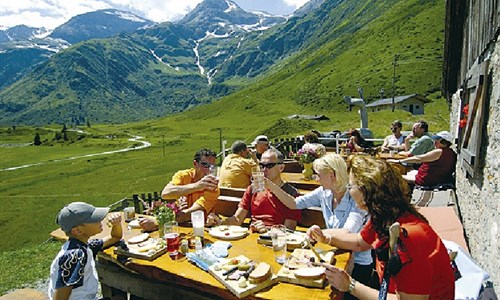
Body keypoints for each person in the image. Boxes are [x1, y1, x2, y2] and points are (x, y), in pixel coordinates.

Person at [308, 156, 455, 299]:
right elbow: (360, 242)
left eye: (350, 186)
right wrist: (327, 238)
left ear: (366, 191)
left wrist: (350, 285)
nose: (348, 191)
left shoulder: (410, 237)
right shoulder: (385, 217)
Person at [267, 154, 373, 294]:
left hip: (357, 264)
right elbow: (294, 203)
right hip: (335, 257)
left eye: (318, 175)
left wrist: (322, 234)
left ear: (331, 175)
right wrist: (271, 186)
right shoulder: (324, 192)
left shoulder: (355, 197)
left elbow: (348, 232)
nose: (316, 178)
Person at [207, 148, 301, 232]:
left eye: (269, 166)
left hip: (274, 241)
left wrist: (267, 230)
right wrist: (218, 222)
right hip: (252, 237)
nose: (264, 170)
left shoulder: (291, 194)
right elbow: (238, 219)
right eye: (261, 165)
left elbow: (289, 230)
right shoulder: (253, 188)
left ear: (281, 168)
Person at [48, 202, 123, 300]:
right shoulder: (75, 255)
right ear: (77, 231)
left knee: (120, 297)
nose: (100, 220)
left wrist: (116, 224)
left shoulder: (83, 246)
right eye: (94, 219)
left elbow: (115, 237)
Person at [140, 148, 219, 230]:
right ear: (195, 164)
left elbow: (190, 213)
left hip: (202, 228)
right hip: (178, 226)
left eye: (212, 166)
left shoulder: (212, 187)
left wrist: (158, 222)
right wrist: (197, 186)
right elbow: (165, 194)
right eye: (205, 165)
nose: (208, 170)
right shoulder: (183, 175)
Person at [389, 131, 457, 187]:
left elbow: (418, 158)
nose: (435, 142)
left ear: (443, 142)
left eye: (437, 141)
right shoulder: (450, 152)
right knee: (409, 171)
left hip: (426, 180)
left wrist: (399, 161)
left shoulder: (439, 151)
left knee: (396, 176)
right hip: (432, 177)